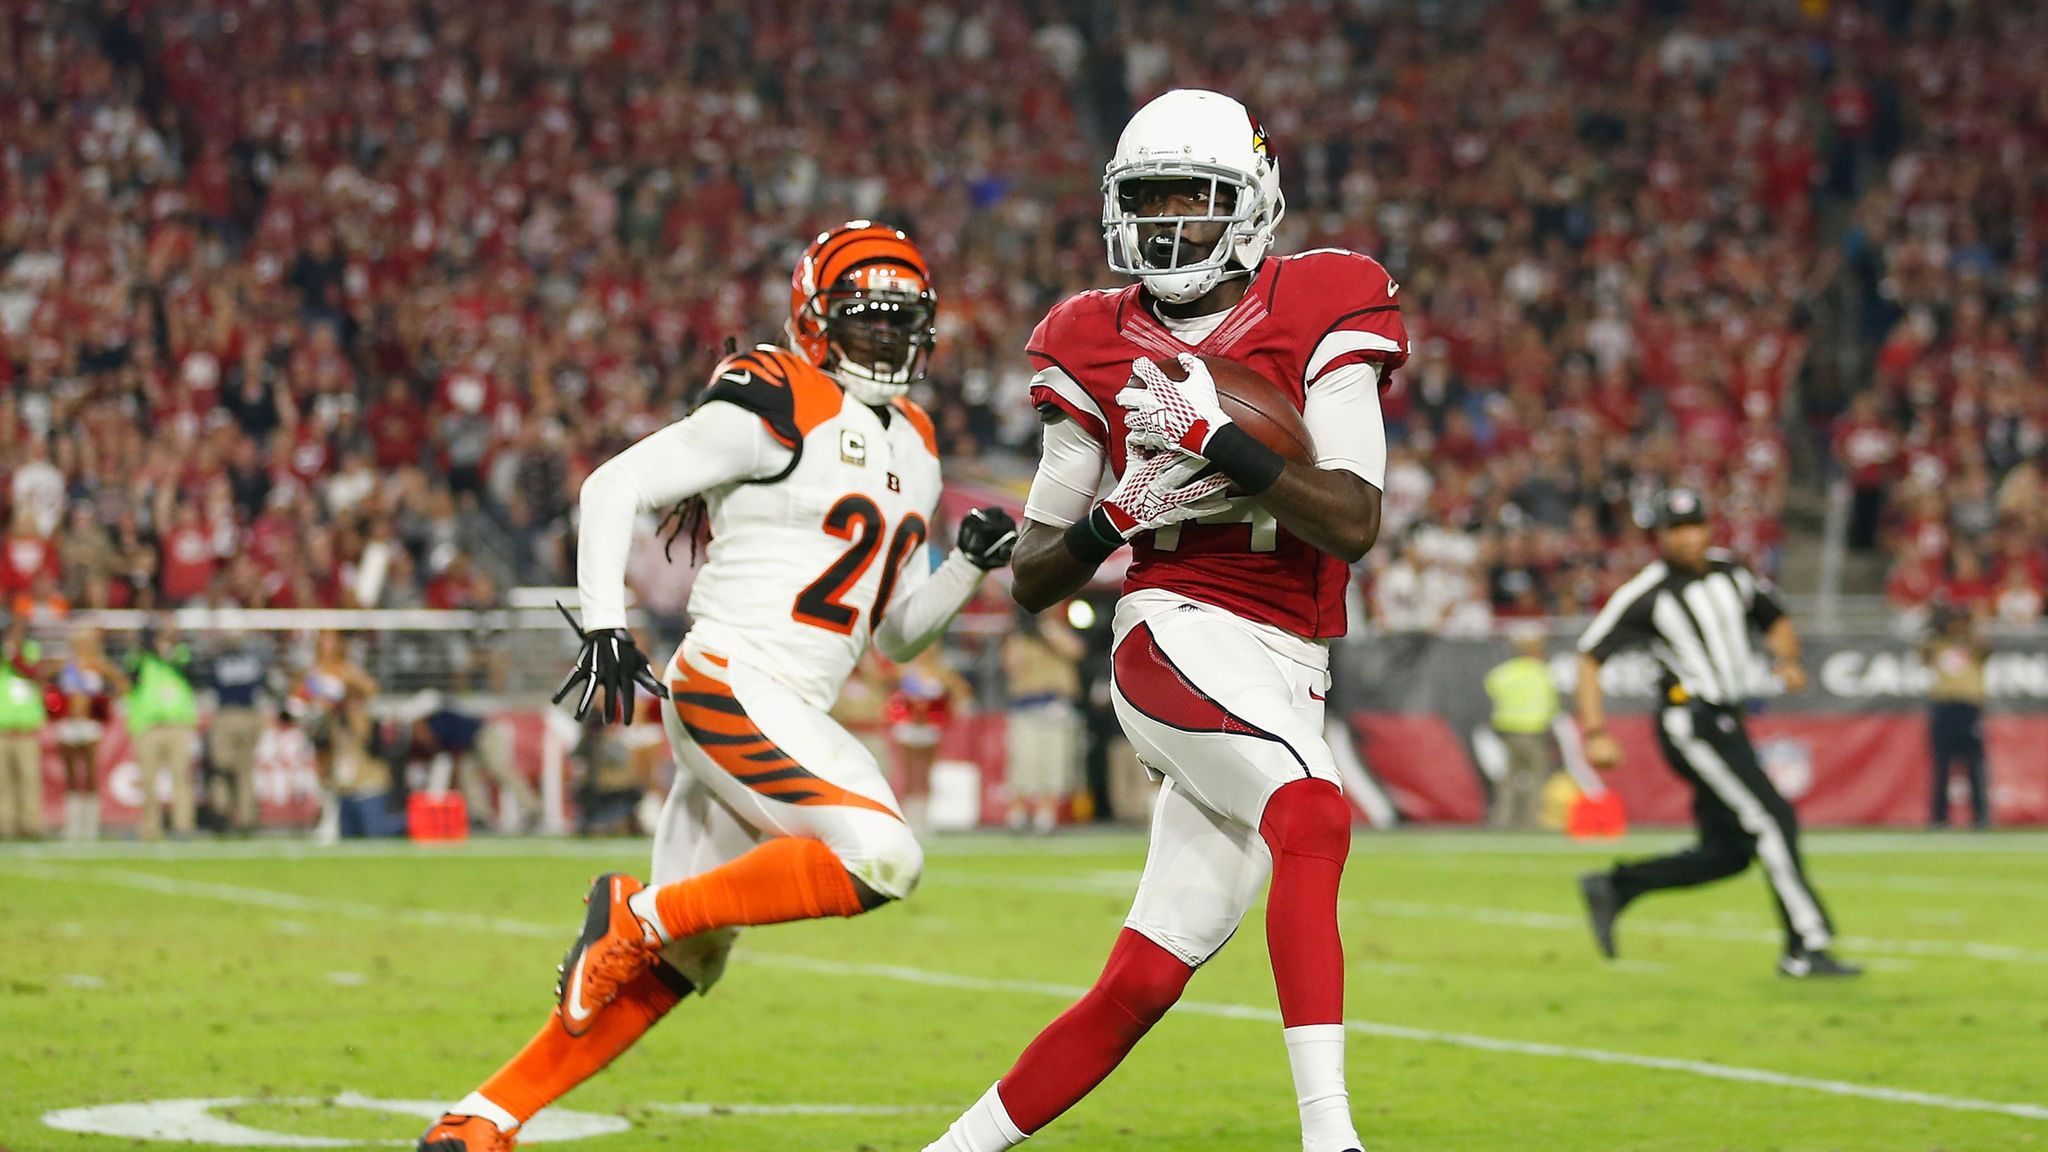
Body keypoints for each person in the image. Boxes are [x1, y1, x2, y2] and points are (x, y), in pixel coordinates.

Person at [418, 222, 1018, 1152]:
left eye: (902, 322)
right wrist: (608, 624)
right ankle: (637, 911)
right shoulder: (780, 392)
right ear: (815, 322)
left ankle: (482, 1119)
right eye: (866, 321)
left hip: (785, 705)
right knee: (882, 854)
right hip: (734, 678)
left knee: (684, 962)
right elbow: (611, 488)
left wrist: (966, 570)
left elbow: (897, 633)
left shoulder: (922, 443)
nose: (888, 341)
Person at [923, 89, 1404, 1152]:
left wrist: (1217, 442)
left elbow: (1354, 521)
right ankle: (1331, 1139)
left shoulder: (1329, 299)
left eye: (1194, 199)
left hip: (1288, 656)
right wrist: (1118, 512)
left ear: (1253, 203)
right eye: (1146, 201)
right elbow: (1038, 579)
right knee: (1312, 816)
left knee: (1141, 980)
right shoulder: (1085, 339)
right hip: (1173, 626)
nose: (1166, 226)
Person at [1574, 489, 1861, 978]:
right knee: (1772, 818)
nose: (1688, 537)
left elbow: (1774, 618)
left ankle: (1618, 886)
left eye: (1694, 525)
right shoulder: (1647, 592)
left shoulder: (1733, 573)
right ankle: (1804, 946)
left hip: (1729, 720)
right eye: (1676, 529)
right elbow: (1590, 656)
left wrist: (1786, 659)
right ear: (1660, 538)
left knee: (1728, 854)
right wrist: (1596, 731)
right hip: (1693, 723)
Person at [1002, 603, 1085, 833]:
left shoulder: (1056, 630)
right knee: (1024, 761)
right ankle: (1018, 813)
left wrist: (1047, 629)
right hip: (1026, 705)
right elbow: (1012, 665)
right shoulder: (1019, 636)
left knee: (1054, 762)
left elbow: (1075, 650)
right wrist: (1024, 633)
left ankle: (1045, 813)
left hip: (1056, 705)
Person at [128, 619, 202, 839]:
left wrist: (168, 652)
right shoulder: (142, 659)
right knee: (148, 781)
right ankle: (150, 827)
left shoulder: (181, 655)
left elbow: (192, 671)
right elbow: (131, 673)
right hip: (149, 725)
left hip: (177, 725)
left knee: (181, 778)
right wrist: (151, 648)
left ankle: (183, 826)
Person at [887, 643, 971, 830]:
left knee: (926, 773)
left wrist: (951, 711)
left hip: (929, 727)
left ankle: (924, 816)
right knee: (909, 773)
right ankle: (908, 816)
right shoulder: (905, 669)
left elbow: (961, 691)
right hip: (908, 725)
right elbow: (889, 689)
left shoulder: (942, 670)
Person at [1483, 625, 1560, 828]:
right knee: (1536, 777)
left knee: (1509, 779)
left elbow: (1492, 692)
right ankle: (1529, 822)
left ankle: (1502, 821)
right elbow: (1552, 704)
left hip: (1506, 732)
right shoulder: (1543, 673)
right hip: (1531, 732)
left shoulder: (1502, 673)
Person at [54, 626, 126, 841]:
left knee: (91, 774)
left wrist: (103, 703)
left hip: (89, 725)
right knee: (71, 775)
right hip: (68, 723)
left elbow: (121, 684)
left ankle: (90, 827)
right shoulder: (66, 666)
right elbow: (49, 685)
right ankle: (72, 826)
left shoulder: (98, 666)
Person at [1922, 605, 1991, 828]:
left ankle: (1980, 816)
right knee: (1941, 766)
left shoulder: (1973, 647)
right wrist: (1935, 629)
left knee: (1975, 765)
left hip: (1968, 707)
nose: (1956, 626)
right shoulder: (1939, 646)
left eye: (1960, 622)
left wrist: (1970, 628)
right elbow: (1923, 655)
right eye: (1953, 622)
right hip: (1944, 706)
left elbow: (1986, 647)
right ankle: (1939, 817)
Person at [204, 629, 271, 833]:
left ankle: (225, 814)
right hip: (247, 714)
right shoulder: (252, 662)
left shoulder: (219, 661)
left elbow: (209, 686)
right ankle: (245, 817)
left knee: (222, 769)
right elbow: (263, 686)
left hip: (228, 715)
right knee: (243, 770)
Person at [0, 616, 48, 840]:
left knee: (29, 780)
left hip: (26, 731)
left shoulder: (31, 651)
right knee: (2, 783)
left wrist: (14, 655)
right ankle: (4, 826)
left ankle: (31, 825)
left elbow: (33, 673)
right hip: (2, 731)